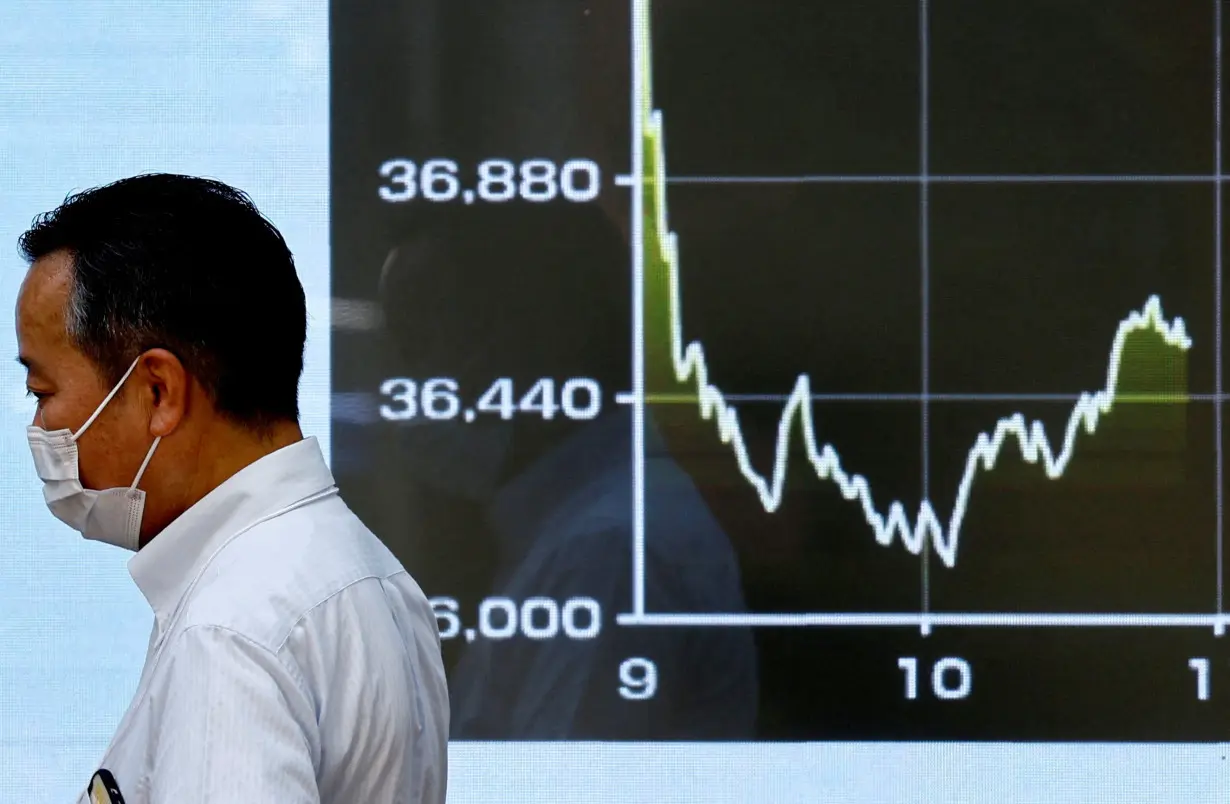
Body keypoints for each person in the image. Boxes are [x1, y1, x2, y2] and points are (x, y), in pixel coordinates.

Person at [14, 174, 448, 803]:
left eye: (43, 393)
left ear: (158, 391)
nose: (40, 429)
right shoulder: (366, 572)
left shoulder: (232, 628)